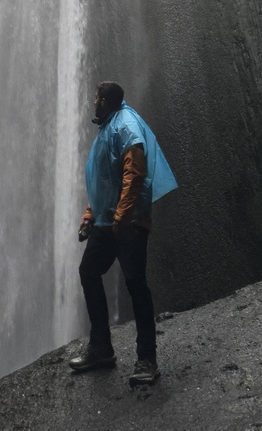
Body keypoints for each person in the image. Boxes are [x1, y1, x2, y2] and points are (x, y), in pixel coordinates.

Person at [69, 80, 177, 386]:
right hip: (108, 221)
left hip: (127, 223)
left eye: (95, 97)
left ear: (104, 101)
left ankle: (147, 359)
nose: (92, 101)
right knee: (88, 272)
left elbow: (135, 173)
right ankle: (101, 348)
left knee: (135, 284)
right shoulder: (108, 128)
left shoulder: (125, 126)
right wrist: (91, 216)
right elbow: (105, 180)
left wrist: (122, 215)